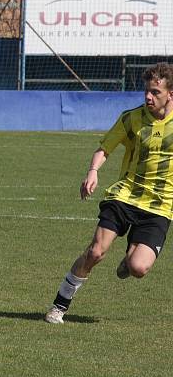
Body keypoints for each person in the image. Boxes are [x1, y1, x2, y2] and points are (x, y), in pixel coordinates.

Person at [45, 63, 173, 324]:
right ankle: (59, 305)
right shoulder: (132, 118)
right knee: (95, 252)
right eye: (147, 91)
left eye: (156, 92)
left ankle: (129, 260)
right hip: (124, 196)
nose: (148, 97)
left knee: (138, 267)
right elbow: (105, 148)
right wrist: (93, 171)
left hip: (160, 205)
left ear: (170, 94)